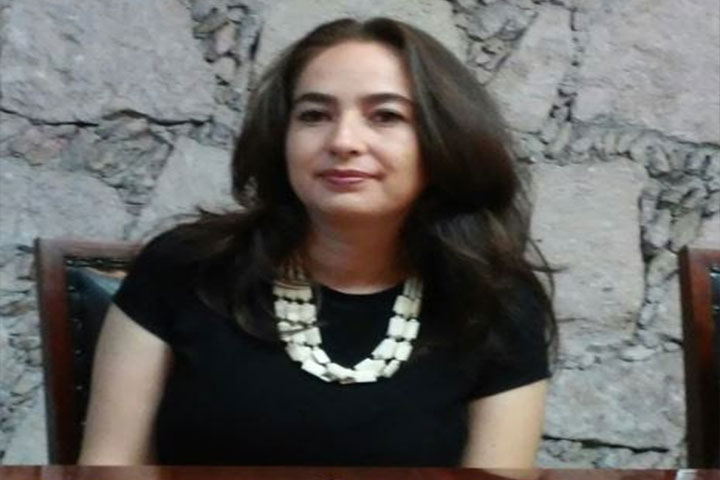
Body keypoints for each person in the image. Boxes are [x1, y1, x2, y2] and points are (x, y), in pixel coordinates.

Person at [78, 17, 557, 468]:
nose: (343, 141)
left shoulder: (497, 301)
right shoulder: (183, 268)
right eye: (314, 115)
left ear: (444, 141)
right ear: (281, 138)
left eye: (385, 116)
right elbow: (109, 465)